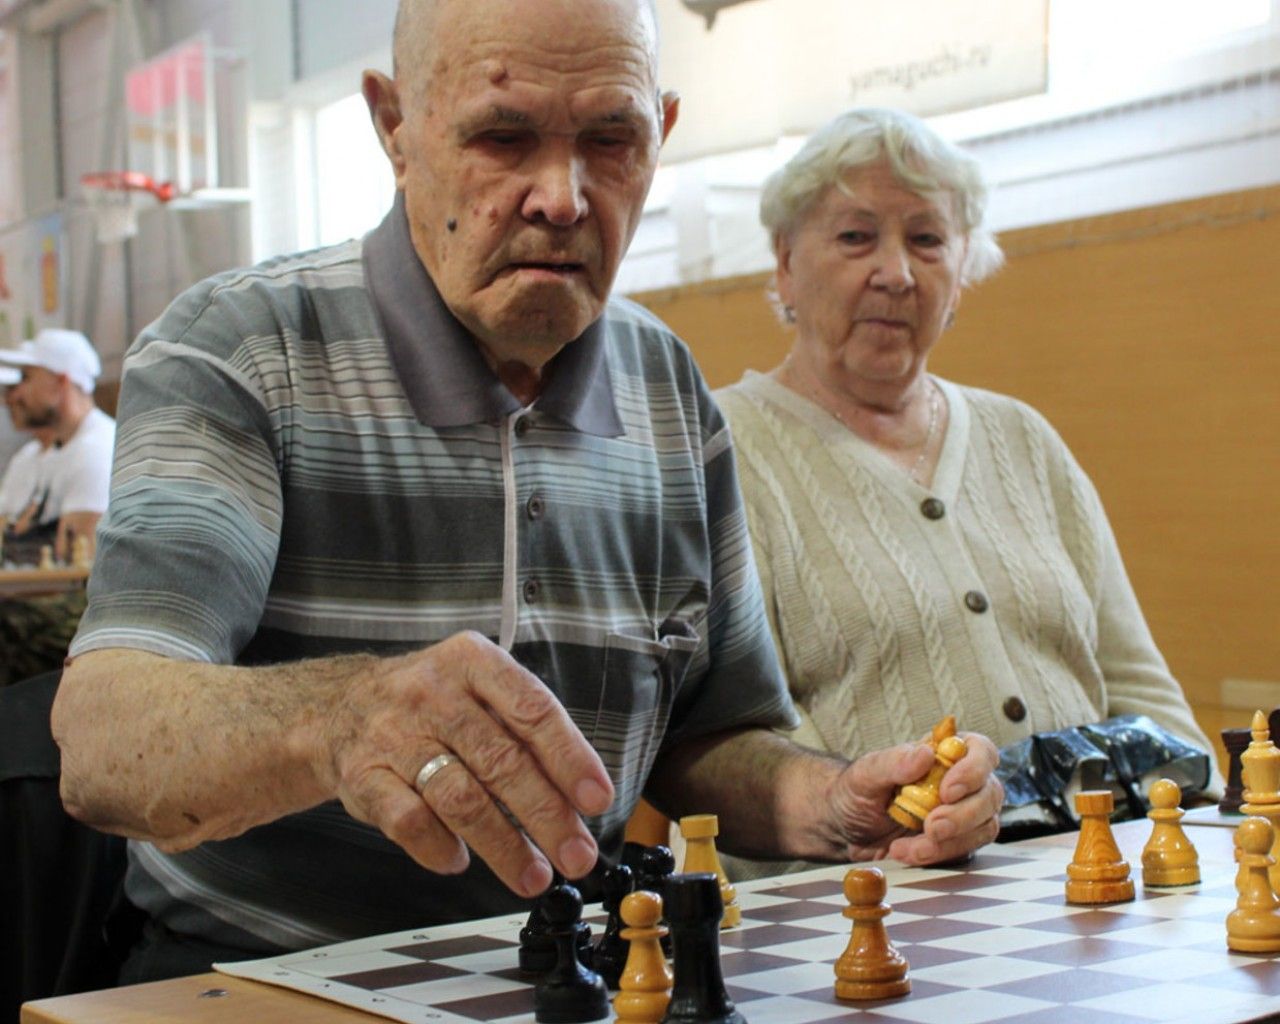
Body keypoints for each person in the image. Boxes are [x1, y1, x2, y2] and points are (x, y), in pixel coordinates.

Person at [52, 0, 1002, 982]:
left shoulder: (667, 392)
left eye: (610, 140)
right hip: (264, 975)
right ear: (394, 127)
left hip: (578, 975)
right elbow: (106, 741)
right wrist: (339, 717)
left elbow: (710, 734)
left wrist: (831, 799)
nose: (562, 196)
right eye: (502, 137)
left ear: (659, 134)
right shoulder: (243, 351)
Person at [714, 107, 1216, 870]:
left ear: (961, 273)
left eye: (927, 239)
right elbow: (731, 733)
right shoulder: (723, 448)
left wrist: (1203, 841)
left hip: (1097, 884)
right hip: (870, 909)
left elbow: (1140, 686)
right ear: (785, 264)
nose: (896, 272)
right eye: (855, 237)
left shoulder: (1026, 439)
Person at [0, 328, 115, 564]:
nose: (13, 395)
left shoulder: (97, 449)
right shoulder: (58, 448)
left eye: (26, 378)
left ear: (61, 382)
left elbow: (73, 563)